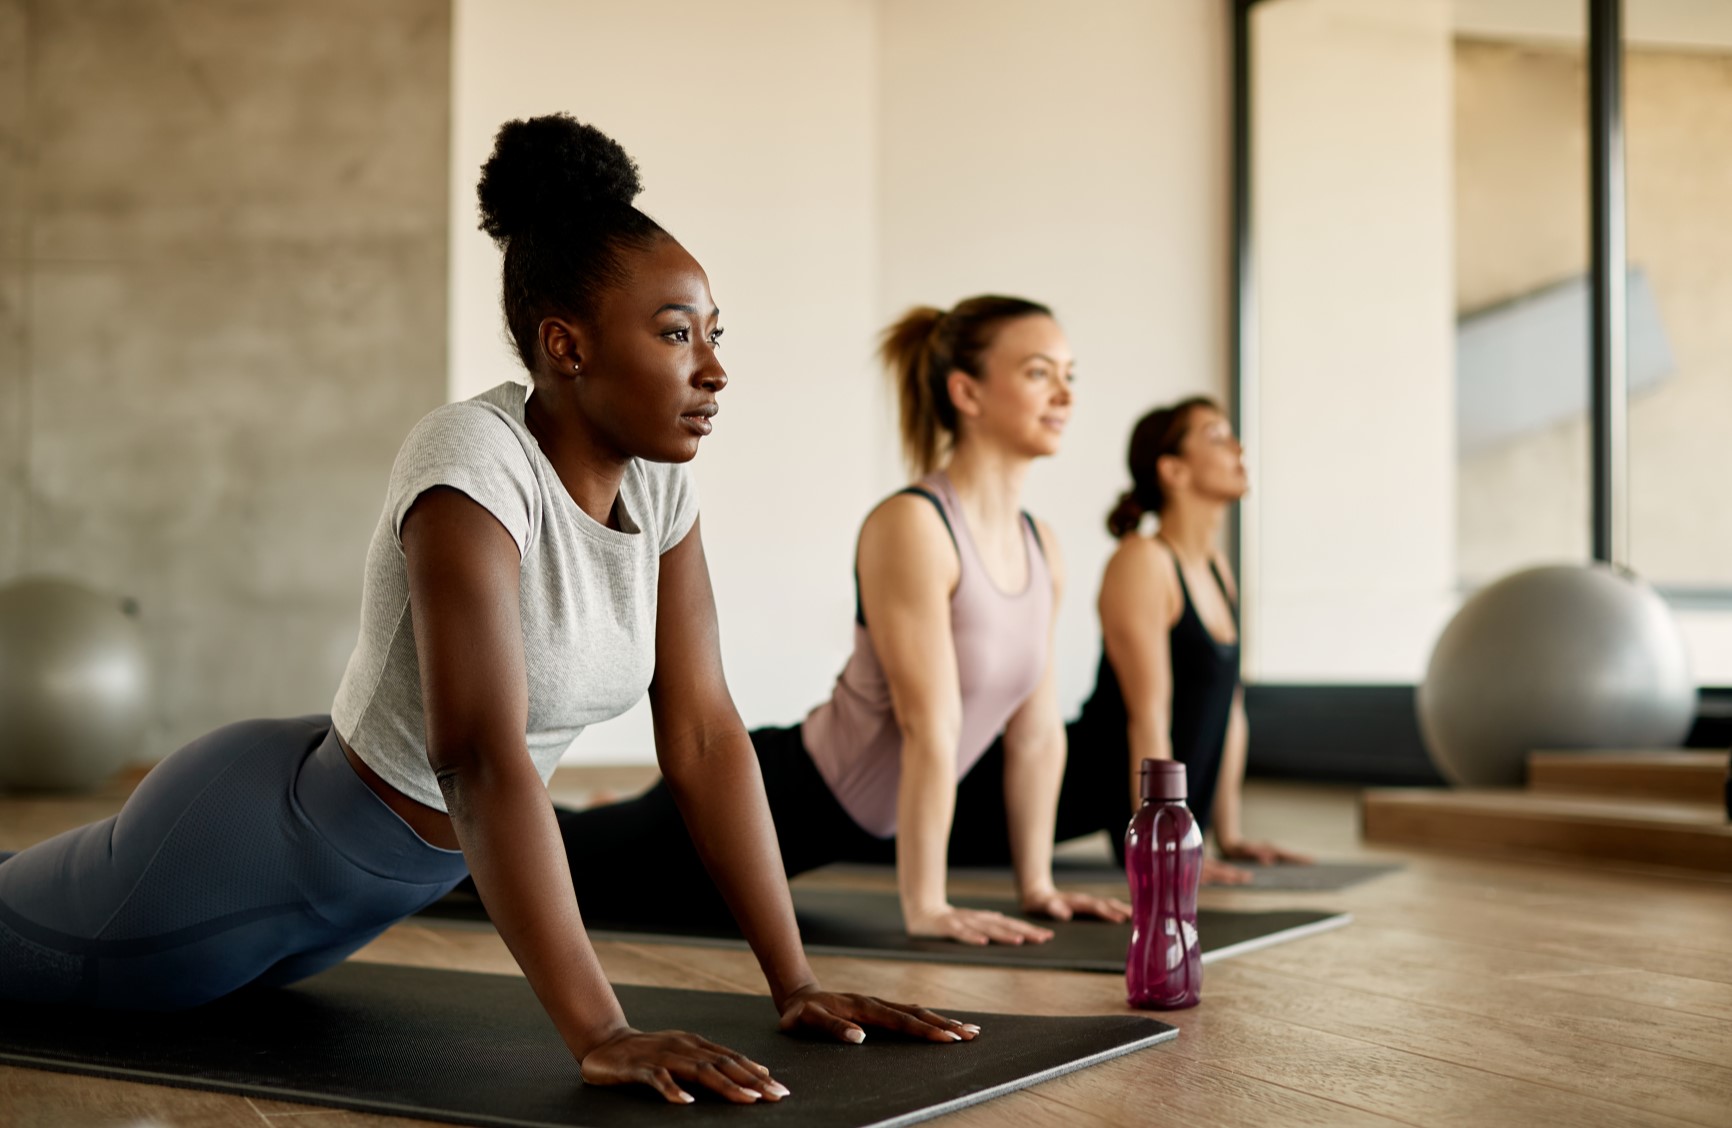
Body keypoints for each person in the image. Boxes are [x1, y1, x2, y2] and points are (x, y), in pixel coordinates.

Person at [0, 115, 976, 1107]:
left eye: (714, 334)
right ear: (567, 345)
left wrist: (795, 981)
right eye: (677, 334)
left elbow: (706, 736)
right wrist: (601, 1030)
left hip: (343, 903)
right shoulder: (471, 458)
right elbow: (478, 757)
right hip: (233, 863)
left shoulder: (661, 489)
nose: (713, 368)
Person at [552, 296, 1129, 946]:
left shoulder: (1040, 544)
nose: (1064, 395)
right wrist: (928, 906)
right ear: (966, 391)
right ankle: (451, 824)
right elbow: (929, 726)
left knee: (577, 847)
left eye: (1069, 374)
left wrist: (1039, 887)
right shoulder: (916, 525)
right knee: (547, 866)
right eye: (1037, 372)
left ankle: (589, 813)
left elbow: (1037, 734)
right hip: (778, 798)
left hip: (842, 826)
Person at [935, 398, 1311, 883]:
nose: (1238, 448)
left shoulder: (1218, 570)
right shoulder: (1142, 563)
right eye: (1216, 437)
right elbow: (1147, 717)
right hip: (1050, 792)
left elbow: (1228, 709)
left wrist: (1228, 834)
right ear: (1172, 470)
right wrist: (1159, 843)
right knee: (886, 832)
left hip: (1130, 802)